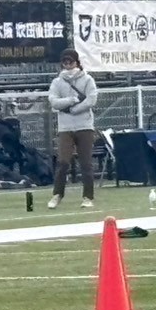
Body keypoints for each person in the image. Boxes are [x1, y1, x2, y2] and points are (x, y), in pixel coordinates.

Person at [47, 49, 97, 210]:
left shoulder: (87, 79)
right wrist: (72, 100)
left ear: (77, 62)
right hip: (65, 127)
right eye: (65, 62)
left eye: (71, 62)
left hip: (85, 126)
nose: (68, 65)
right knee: (63, 161)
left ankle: (88, 197)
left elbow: (91, 100)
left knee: (86, 163)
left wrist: (73, 109)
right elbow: (54, 101)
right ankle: (57, 194)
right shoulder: (57, 82)